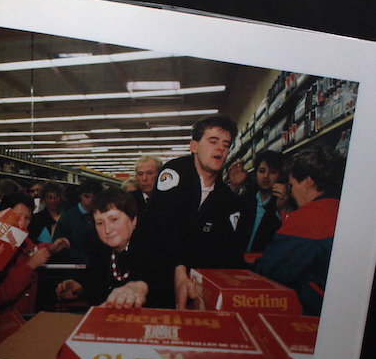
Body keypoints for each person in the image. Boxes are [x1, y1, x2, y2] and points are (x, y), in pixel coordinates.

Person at [146, 115, 246, 309]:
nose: (220, 148)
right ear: (194, 146)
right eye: (213, 141)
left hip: (200, 289)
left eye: (226, 145)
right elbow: (166, 228)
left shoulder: (227, 200)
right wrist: (180, 271)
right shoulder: (175, 172)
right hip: (158, 278)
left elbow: (228, 250)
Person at [254, 145, 344, 316]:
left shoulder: (308, 219)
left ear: (307, 183)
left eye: (292, 184)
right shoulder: (345, 210)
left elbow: (268, 272)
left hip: (315, 316)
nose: (292, 192)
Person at [55, 188, 175, 309]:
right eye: (100, 223)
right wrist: (80, 287)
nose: (107, 229)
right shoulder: (100, 251)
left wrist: (141, 286)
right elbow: (95, 283)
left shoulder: (153, 247)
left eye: (114, 219)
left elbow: (157, 278)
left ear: (133, 220)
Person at [0, 193, 69, 316]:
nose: (22, 223)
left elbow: (32, 250)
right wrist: (30, 266)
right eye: (16, 216)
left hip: (20, 319)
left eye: (27, 218)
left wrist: (51, 249)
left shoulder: (22, 240)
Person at [229, 149, 287, 253]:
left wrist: (282, 209)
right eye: (262, 171)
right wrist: (234, 186)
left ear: (280, 175)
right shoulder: (246, 200)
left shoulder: (282, 204)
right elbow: (220, 212)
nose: (266, 176)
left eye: (273, 172)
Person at [52, 177, 102, 264]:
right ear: (80, 195)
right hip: (75, 266)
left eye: (94, 197)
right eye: (87, 196)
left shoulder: (103, 216)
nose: (91, 200)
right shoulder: (67, 218)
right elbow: (61, 247)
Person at [28, 180, 64, 244]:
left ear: (60, 197)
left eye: (56, 196)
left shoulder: (68, 217)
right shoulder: (36, 219)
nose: (53, 200)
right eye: (48, 197)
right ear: (43, 198)